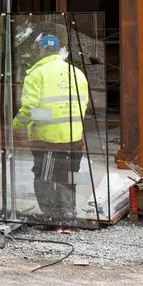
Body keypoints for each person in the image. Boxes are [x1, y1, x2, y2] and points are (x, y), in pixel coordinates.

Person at [14, 34, 89, 225]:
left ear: (40, 51)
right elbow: (82, 105)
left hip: (46, 139)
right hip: (73, 137)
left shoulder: (36, 74)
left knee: (43, 176)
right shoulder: (77, 73)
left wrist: (14, 126)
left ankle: (50, 217)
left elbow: (30, 109)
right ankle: (69, 215)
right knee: (70, 176)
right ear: (58, 51)